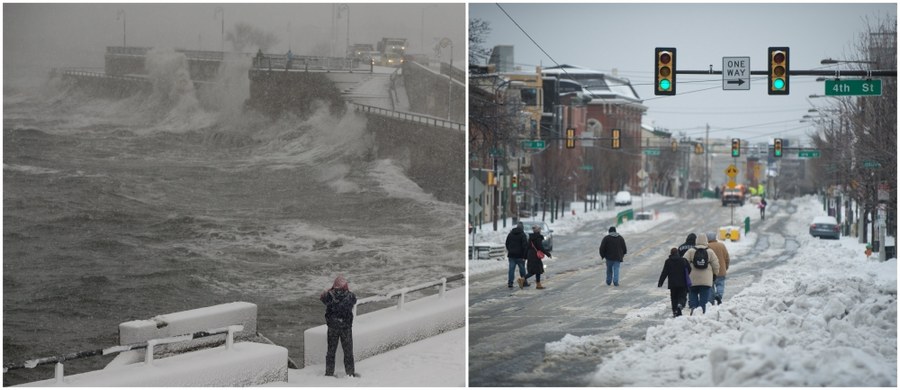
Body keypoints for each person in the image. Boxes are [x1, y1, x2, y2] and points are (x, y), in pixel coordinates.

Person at [320, 275, 357, 377]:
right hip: (346, 327)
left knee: (331, 351)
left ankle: (329, 372)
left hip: (333, 326)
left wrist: (329, 290)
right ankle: (350, 373)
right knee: (348, 351)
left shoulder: (329, 295)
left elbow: (322, 297)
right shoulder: (350, 296)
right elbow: (354, 301)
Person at [684, 234, 720, 315]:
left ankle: (694, 309)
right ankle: (702, 312)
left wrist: (686, 274)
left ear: (696, 241)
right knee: (704, 297)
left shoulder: (690, 251)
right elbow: (716, 265)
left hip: (693, 279)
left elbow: (684, 262)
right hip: (706, 280)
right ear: (706, 240)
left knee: (692, 294)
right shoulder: (710, 251)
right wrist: (715, 274)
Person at [658, 248, 691, 317]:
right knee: (682, 296)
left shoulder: (668, 261)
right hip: (682, 283)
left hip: (672, 284)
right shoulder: (683, 260)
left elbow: (664, 272)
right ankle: (680, 305)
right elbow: (689, 268)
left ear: (671, 253)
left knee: (674, 298)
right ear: (678, 253)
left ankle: (675, 311)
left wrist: (660, 282)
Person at [518, 224, 551, 289]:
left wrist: (525, 257)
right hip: (535, 256)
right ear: (538, 230)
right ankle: (522, 279)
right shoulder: (538, 237)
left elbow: (527, 248)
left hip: (531, 255)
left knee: (537, 270)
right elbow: (540, 247)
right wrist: (547, 254)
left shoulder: (531, 238)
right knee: (534, 271)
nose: (540, 230)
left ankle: (538, 284)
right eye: (539, 229)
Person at [706, 232, 730, 305]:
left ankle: (711, 302)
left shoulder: (707, 247)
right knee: (720, 284)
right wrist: (726, 267)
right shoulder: (722, 245)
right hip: (721, 270)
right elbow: (727, 258)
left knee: (710, 286)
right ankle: (719, 295)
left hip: (710, 271)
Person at [505, 222, 530, 288]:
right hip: (520, 256)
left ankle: (510, 283)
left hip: (511, 255)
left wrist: (510, 250)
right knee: (522, 269)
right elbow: (525, 246)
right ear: (522, 228)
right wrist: (525, 256)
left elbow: (507, 243)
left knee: (511, 269)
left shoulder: (510, 234)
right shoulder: (522, 235)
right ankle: (524, 282)